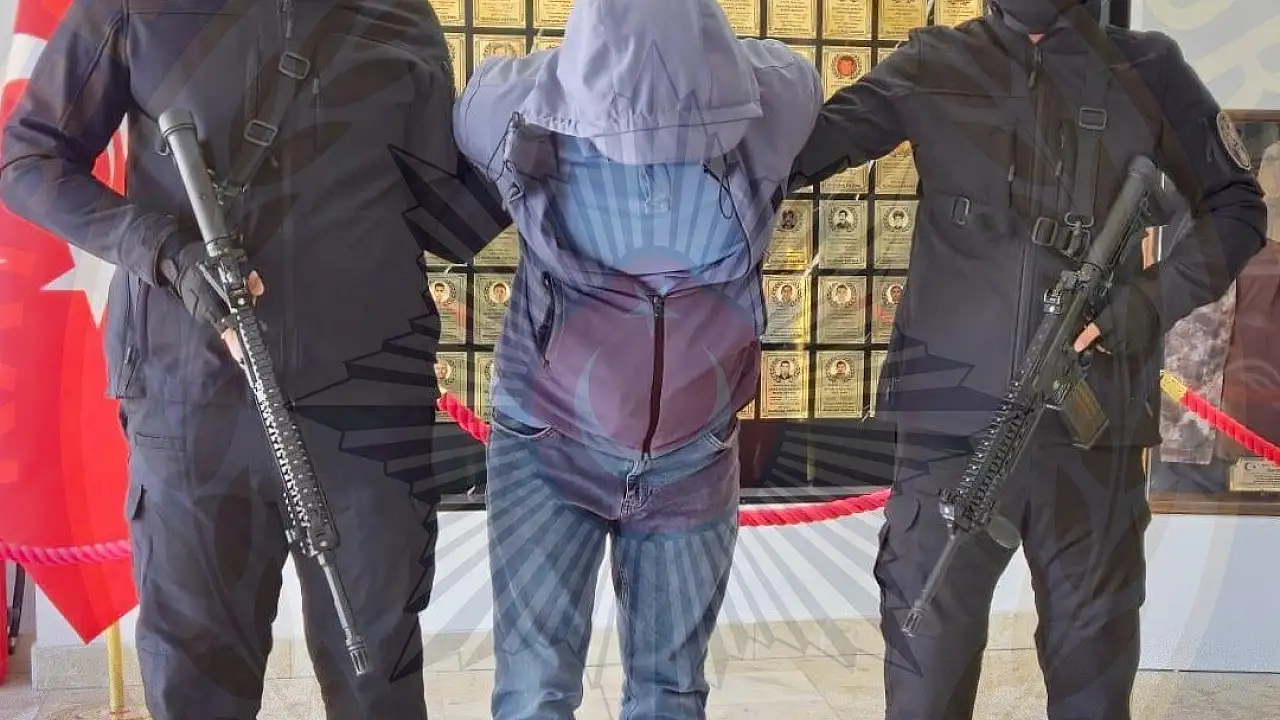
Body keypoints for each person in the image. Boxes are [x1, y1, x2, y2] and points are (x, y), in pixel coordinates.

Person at [0, 0, 508, 717]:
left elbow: (444, 222)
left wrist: (525, 148)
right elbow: (28, 158)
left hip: (369, 405)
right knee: (199, 687)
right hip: (191, 397)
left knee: (378, 685)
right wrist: (162, 250)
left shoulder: (399, 14)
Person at [788, 0, 1267, 718]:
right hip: (951, 435)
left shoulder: (1148, 69)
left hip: (1094, 436)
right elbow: (800, 152)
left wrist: (1142, 306)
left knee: (1092, 683)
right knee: (926, 680)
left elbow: (1236, 207)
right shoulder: (934, 62)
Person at [453, 0, 822, 716]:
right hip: (549, 436)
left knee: (663, 690)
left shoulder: (510, 104)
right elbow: (792, 70)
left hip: (691, 447)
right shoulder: (777, 94)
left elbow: (481, 96)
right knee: (539, 688)